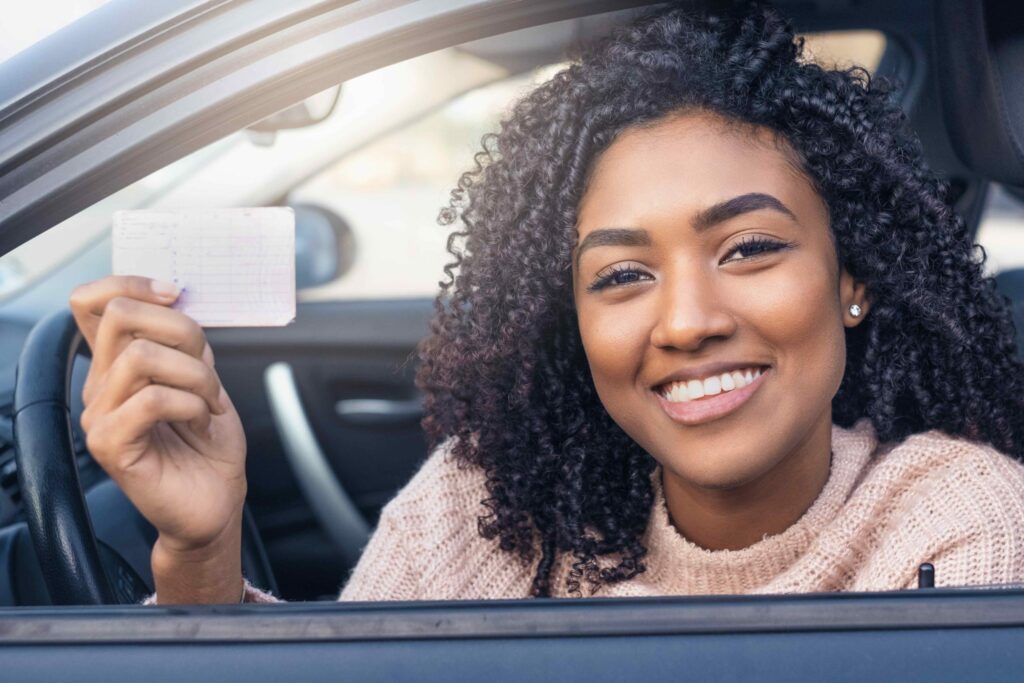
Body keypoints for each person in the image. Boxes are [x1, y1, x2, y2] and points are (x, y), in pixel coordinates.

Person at [69, 3, 1024, 605]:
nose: (686, 319)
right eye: (620, 274)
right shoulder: (486, 507)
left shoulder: (955, 521)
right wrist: (199, 552)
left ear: (850, 277)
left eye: (750, 248)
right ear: (574, 315)